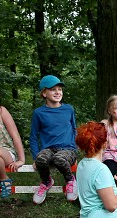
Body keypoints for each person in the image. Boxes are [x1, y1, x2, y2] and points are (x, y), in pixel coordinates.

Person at [29, 75, 78, 205]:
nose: (58, 92)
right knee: (41, 159)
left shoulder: (69, 109)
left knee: (59, 159)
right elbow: (33, 137)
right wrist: (35, 157)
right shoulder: (39, 113)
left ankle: (70, 180)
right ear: (44, 93)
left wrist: (75, 150)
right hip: (49, 148)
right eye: (53, 89)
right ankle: (46, 182)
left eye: (60, 89)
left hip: (67, 148)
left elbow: (74, 130)